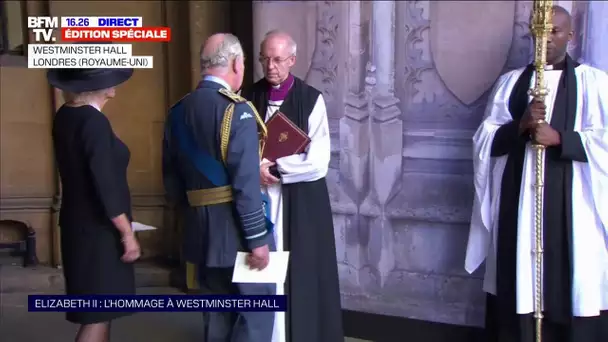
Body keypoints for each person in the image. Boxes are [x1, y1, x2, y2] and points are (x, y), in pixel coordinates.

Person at [465, 6, 608, 342]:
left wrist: (562, 139)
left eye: (555, 32)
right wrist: (521, 126)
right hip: (518, 206)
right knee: (519, 286)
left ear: (570, 36)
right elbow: (484, 138)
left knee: (573, 283)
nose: (545, 40)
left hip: (576, 212)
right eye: (539, 32)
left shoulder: (594, 84)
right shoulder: (511, 84)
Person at [162, 33, 275, 342]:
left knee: (216, 318)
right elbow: (245, 185)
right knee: (254, 317)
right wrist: (257, 240)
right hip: (238, 234)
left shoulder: (177, 112)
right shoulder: (235, 110)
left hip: (199, 234)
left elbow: (171, 183)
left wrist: (193, 223)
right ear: (237, 64)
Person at [242, 30, 343, 342]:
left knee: (302, 271)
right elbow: (236, 148)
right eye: (265, 59)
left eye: (278, 59)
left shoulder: (310, 99)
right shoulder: (249, 97)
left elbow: (318, 161)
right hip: (259, 197)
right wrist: (255, 169)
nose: (270, 66)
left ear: (293, 60)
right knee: (260, 271)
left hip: (300, 200)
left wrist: (277, 168)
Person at [49, 67, 141, 342]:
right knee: (98, 315)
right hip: (99, 232)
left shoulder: (65, 115)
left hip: (80, 227)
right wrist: (127, 233)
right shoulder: (93, 122)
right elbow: (105, 184)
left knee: (100, 311)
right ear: (98, 85)